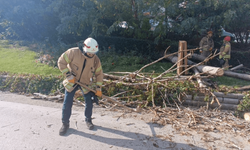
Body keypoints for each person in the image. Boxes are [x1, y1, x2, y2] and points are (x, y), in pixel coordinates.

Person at [57, 37, 103, 136]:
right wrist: (68, 75)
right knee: (67, 102)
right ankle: (65, 124)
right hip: (72, 81)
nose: (92, 55)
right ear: (85, 49)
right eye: (90, 53)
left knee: (89, 102)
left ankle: (88, 120)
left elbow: (99, 73)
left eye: (93, 53)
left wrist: (98, 88)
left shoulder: (95, 59)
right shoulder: (73, 52)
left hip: (85, 83)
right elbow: (61, 62)